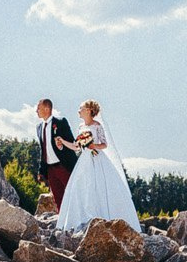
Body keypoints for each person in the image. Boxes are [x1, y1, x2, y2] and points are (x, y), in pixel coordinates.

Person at [54, 100, 141, 232]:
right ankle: (81, 220)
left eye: (81, 108)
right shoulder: (81, 127)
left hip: (97, 159)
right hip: (84, 161)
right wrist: (62, 142)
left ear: (89, 110)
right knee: (80, 187)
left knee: (98, 186)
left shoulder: (97, 126)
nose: (79, 111)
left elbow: (105, 144)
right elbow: (76, 147)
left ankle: (100, 219)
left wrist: (93, 146)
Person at [33, 98, 79, 211]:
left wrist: (61, 143)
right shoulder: (39, 127)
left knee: (72, 194)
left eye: (38, 108)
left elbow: (71, 141)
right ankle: (63, 223)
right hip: (50, 169)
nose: (36, 111)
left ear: (47, 108)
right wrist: (41, 170)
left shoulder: (60, 122)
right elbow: (42, 150)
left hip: (64, 165)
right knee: (58, 197)